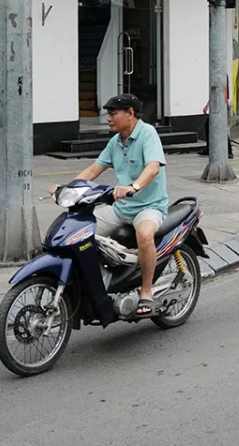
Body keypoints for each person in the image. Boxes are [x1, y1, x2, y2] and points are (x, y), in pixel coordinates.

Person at [54, 94, 168, 318]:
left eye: (113, 113)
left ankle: (146, 292)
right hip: (120, 209)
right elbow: (93, 171)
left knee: (144, 235)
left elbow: (153, 167)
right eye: (108, 114)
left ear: (130, 114)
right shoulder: (115, 142)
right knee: (80, 232)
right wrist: (67, 188)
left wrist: (133, 187)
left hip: (149, 206)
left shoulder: (148, 134)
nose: (108, 118)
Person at [198, 79, 233, 158]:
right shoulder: (218, 76)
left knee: (220, 126)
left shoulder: (220, 76)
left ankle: (229, 151)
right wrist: (208, 105)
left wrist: (208, 105)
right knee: (209, 124)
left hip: (221, 105)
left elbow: (216, 92)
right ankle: (209, 148)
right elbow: (214, 92)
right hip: (218, 103)